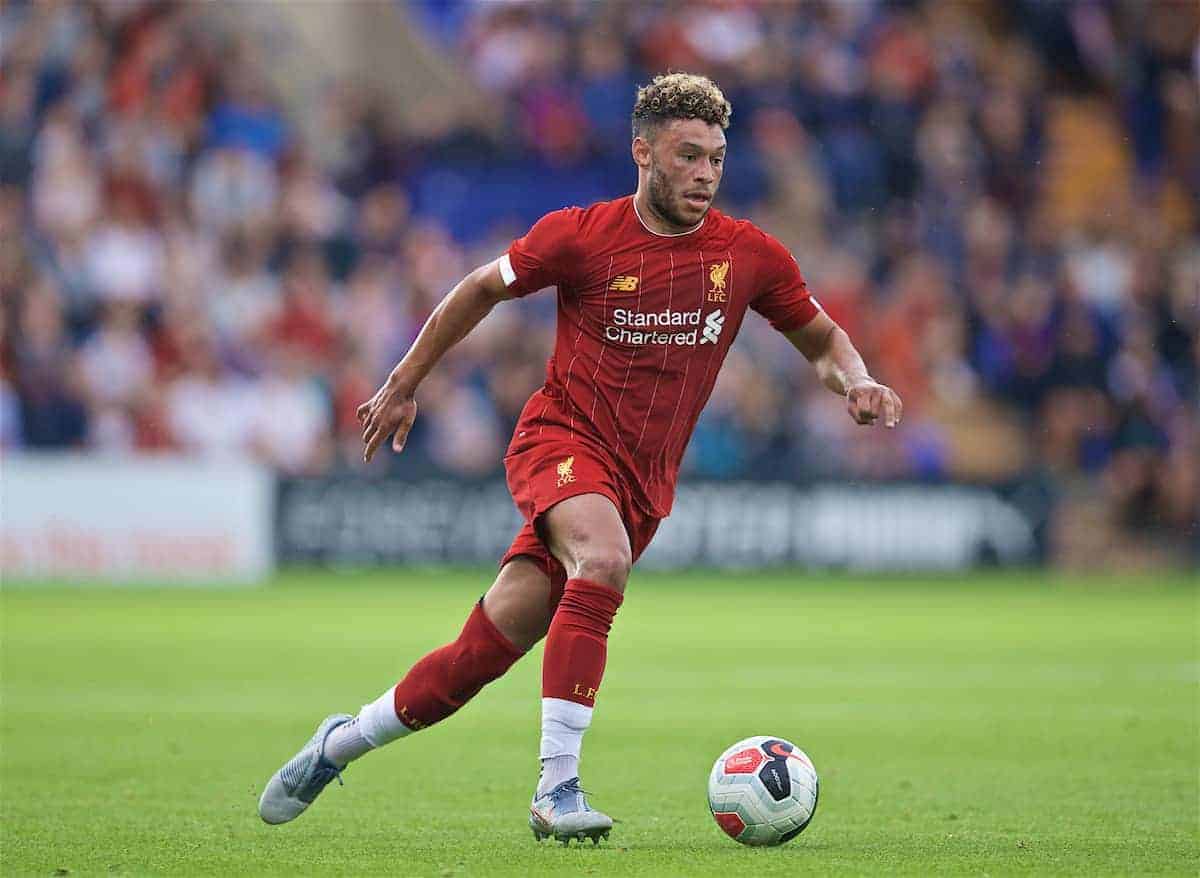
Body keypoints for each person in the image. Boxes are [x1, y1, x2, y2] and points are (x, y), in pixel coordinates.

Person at [258, 73, 902, 844]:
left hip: (640, 488)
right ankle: (556, 790)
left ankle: (339, 742)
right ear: (642, 153)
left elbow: (822, 339)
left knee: (476, 657)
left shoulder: (747, 256)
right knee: (602, 559)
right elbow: (479, 288)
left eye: (716, 160)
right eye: (688, 155)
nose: (704, 174)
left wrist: (856, 381)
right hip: (559, 444)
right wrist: (403, 381)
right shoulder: (581, 235)